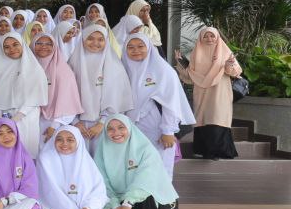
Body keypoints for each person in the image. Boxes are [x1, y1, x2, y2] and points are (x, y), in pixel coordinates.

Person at [95, 114, 179, 209]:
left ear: (129, 128)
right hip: (118, 207)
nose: (116, 133)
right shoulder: (102, 152)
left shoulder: (146, 150)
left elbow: (145, 181)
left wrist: (127, 204)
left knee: (145, 198)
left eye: (121, 127)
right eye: (110, 129)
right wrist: (117, 207)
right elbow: (102, 186)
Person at [123, 34, 194, 178]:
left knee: (160, 166)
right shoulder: (124, 68)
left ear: (149, 47)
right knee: (136, 166)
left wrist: (168, 131)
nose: (136, 50)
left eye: (140, 46)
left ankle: (162, 199)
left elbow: (171, 102)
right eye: (130, 47)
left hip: (157, 128)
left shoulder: (163, 70)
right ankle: (140, 199)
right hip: (132, 128)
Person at [37, 125, 108, 209]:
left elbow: (99, 190)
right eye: (59, 139)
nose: (64, 144)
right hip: (59, 208)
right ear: (53, 141)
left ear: (78, 142)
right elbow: (52, 193)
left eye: (70, 140)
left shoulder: (86, 161)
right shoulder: (46, 159)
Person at [176, 27, 242, 160]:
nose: (209, 39)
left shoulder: (225, 52)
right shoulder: (196, 53)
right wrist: (180, 62)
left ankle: (219, 151)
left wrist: (229, 65)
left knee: (217, 117)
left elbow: (236, 72)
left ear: (217, 37)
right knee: (204, 119)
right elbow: (190, 77)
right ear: (201, 38)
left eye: (212, 36)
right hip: (202, 93)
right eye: (206, 36)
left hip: (220, 91)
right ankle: (206, 151)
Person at [68, 24, 133, 152]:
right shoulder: (72, 64)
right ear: (83, 39)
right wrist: (75, 121)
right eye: (90, 38)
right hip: (76, 125)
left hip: (106, 125)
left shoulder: (115, 66)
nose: (95, 43)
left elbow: (116, 97)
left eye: (100, 39)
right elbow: (66, 95)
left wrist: (102, 123)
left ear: (106, 41)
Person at [0, 31, 49, 157]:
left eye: (15, 44)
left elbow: (35, 96)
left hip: (26, 119)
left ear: (22, 44)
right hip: (3, 121)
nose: (12, 49)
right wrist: (1, 118)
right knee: (6, 156)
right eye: (6, 47)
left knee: (26, 155)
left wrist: (16, 118)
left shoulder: (34, 68)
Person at [34, 32, 83, 148]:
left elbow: (69, 104)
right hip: (29, 122)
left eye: (48, 43)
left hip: (53, 124)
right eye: (39, 43)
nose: (43, 46)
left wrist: (54, 126)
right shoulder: (27, 68)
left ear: (54, 46)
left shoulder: (63, 71)